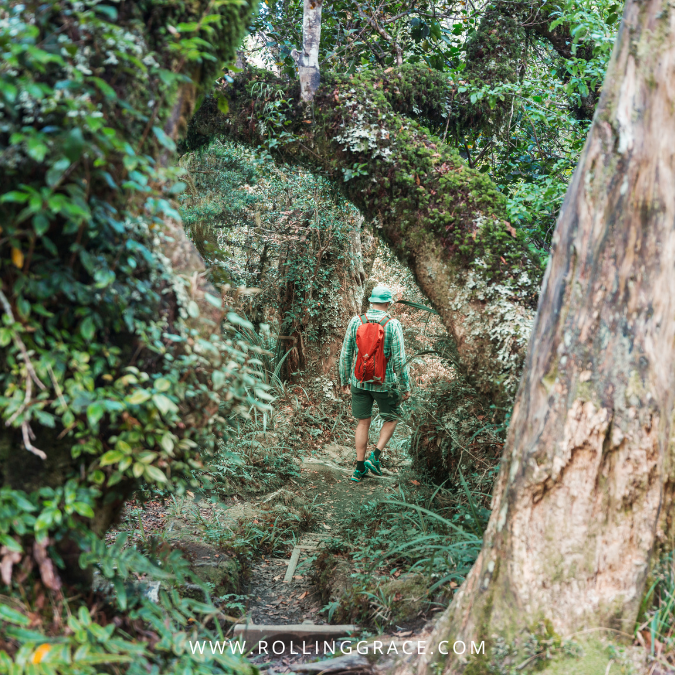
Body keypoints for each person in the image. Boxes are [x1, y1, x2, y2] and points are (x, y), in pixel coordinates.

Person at [338, 284, 410, 482]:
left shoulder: (356, 321)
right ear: (388, 303)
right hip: (384, 384)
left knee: (363, 422)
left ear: (370, 301)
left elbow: (346, 353)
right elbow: (399, 360)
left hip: (359, 382)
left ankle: (359, 468)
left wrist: (344, 380)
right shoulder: (392, 324)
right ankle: (375, 457)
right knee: (392, 417)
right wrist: (405, 387)